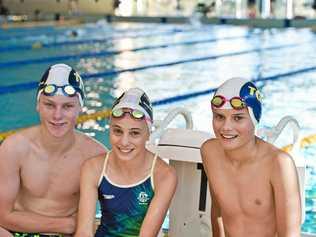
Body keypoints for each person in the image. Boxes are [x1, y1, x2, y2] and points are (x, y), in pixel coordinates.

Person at [0, 64, 107, 236]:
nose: (57, 116)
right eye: (49, 105)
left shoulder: (96, 155)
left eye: (67, 106)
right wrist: (66, 225)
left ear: (80, 108)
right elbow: (3, 217)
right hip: (16, 232)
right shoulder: (14, 148)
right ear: (38, 105)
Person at [201, 77, 301, 237]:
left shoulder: (279, 164)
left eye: (238, 118)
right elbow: (217, 211)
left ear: (255, 120)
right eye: (219, 116)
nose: (226, 127)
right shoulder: (209, 151)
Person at [74, 87, 177, 237]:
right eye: (118, 131)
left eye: (134, 133)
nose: (124, 142)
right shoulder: (93, 168)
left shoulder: (164, 175)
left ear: (148, 133)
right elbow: (83, 232)